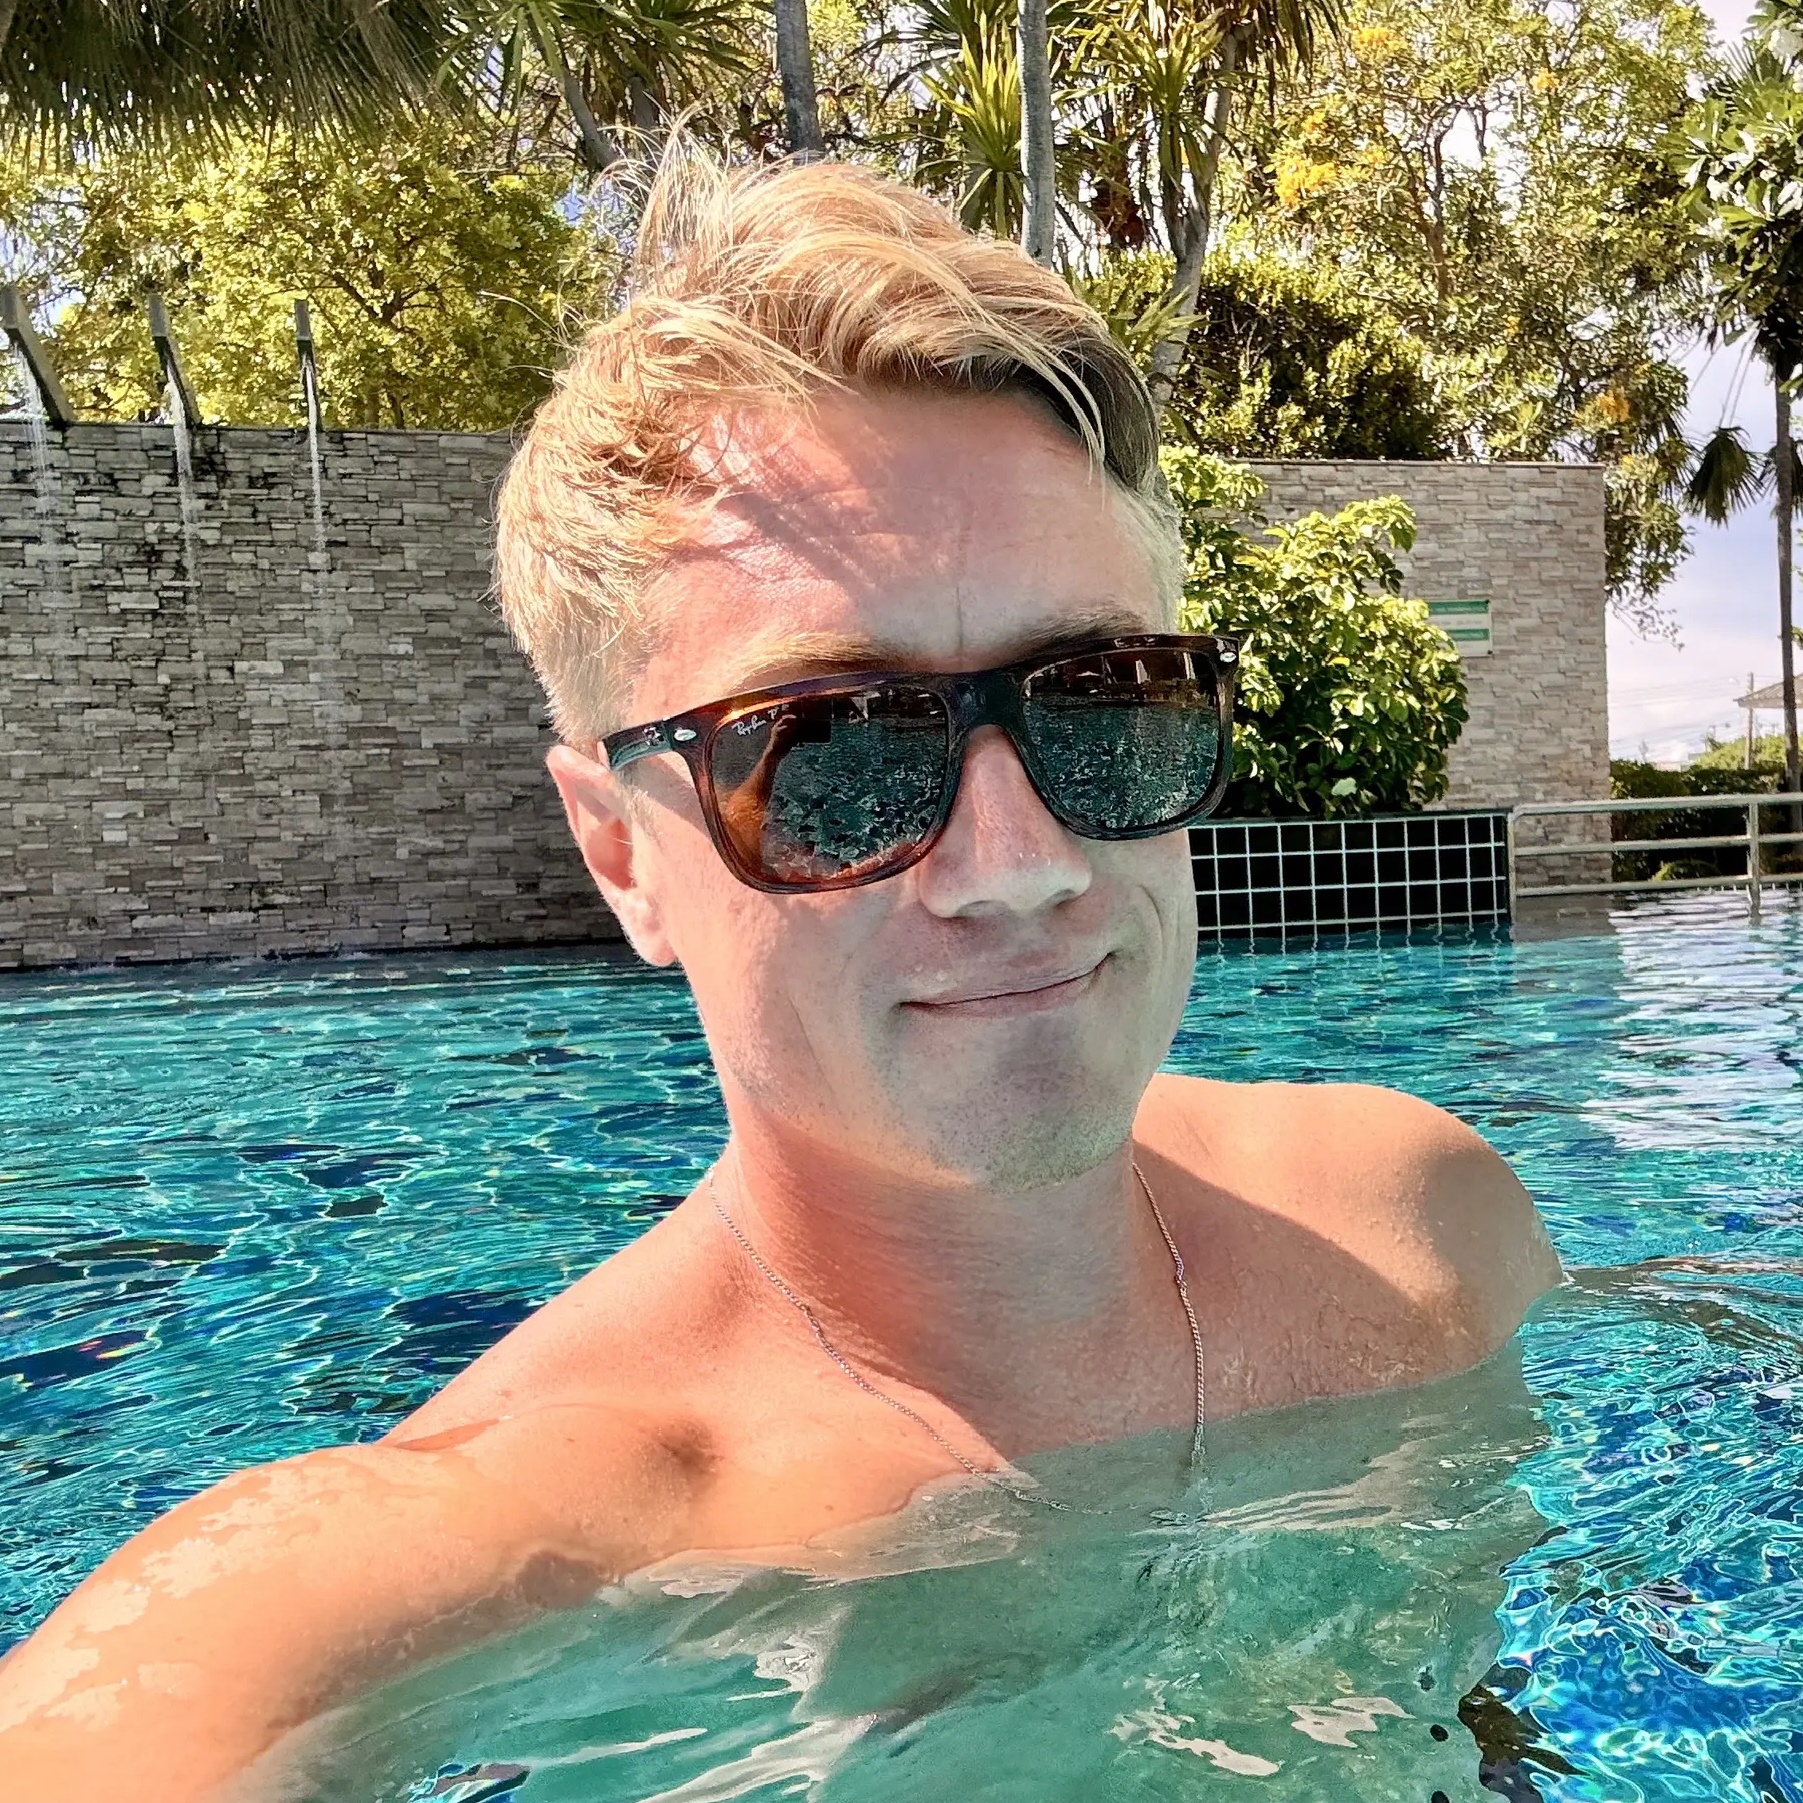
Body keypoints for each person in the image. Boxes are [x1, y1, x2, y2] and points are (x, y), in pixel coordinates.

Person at [0, 148, 1563, 1797]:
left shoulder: (1419, 1224)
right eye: (832, 751)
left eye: (1103, 698)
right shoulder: (530, 1539)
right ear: (622, 853)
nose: (1017, 863)